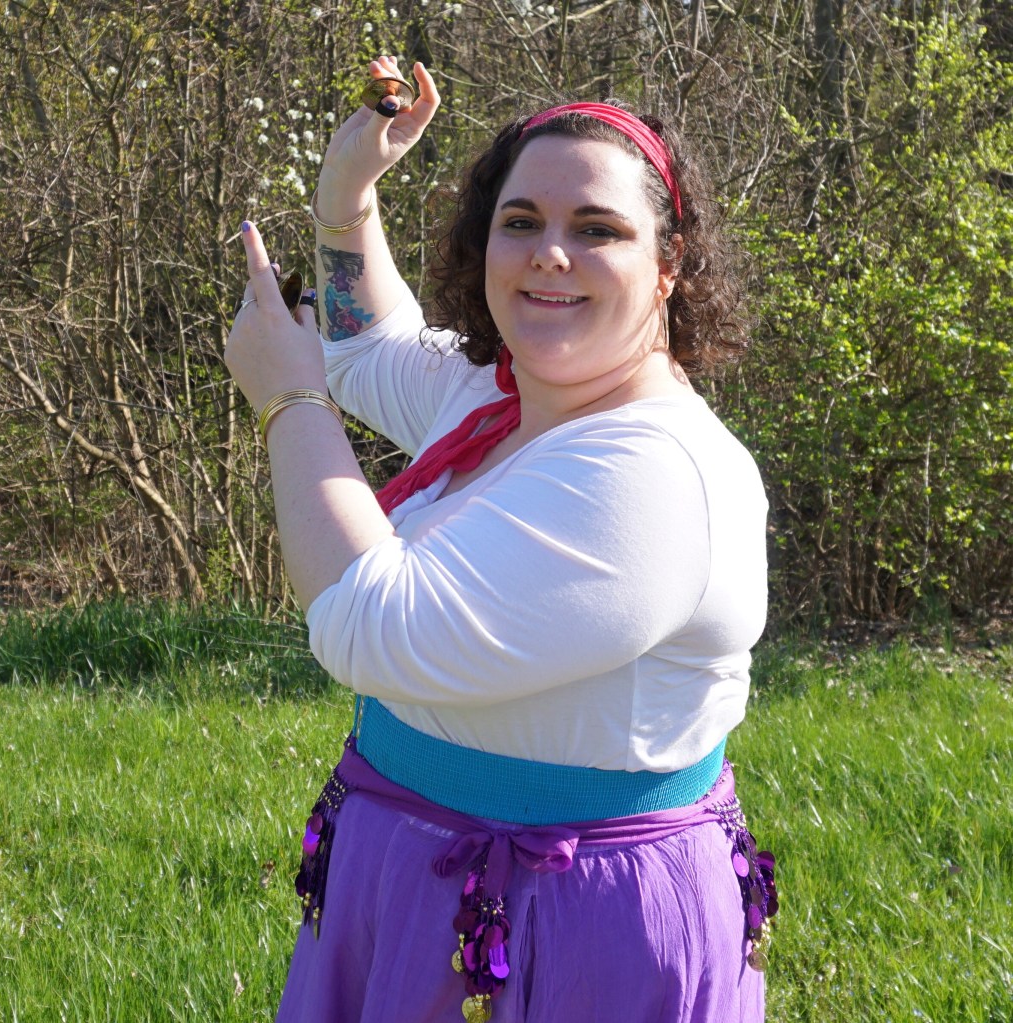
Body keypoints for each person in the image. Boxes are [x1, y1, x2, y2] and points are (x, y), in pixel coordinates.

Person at [226, 54, 776, 1023]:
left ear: (669, 263)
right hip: (412, 871)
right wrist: (347, 194)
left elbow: (375, 628)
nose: (548, 254)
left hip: (577, 915)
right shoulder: (501, 396)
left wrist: (288, 400)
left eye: (596, 229)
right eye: (520, 222)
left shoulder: (655, 474)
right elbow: (366, 345)